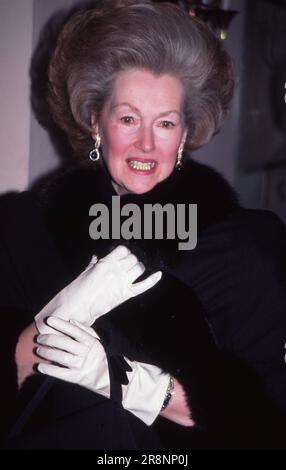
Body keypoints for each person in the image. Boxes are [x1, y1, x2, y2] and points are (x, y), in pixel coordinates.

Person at [1, 0, 286, 449]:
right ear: (96, 122)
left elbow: (263, 427)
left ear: (186, 134)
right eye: (129, 118)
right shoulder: (24, 229)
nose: (147, 143)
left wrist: (137, 387)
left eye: (166, 123)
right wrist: (58, 320)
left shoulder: (248, 247)